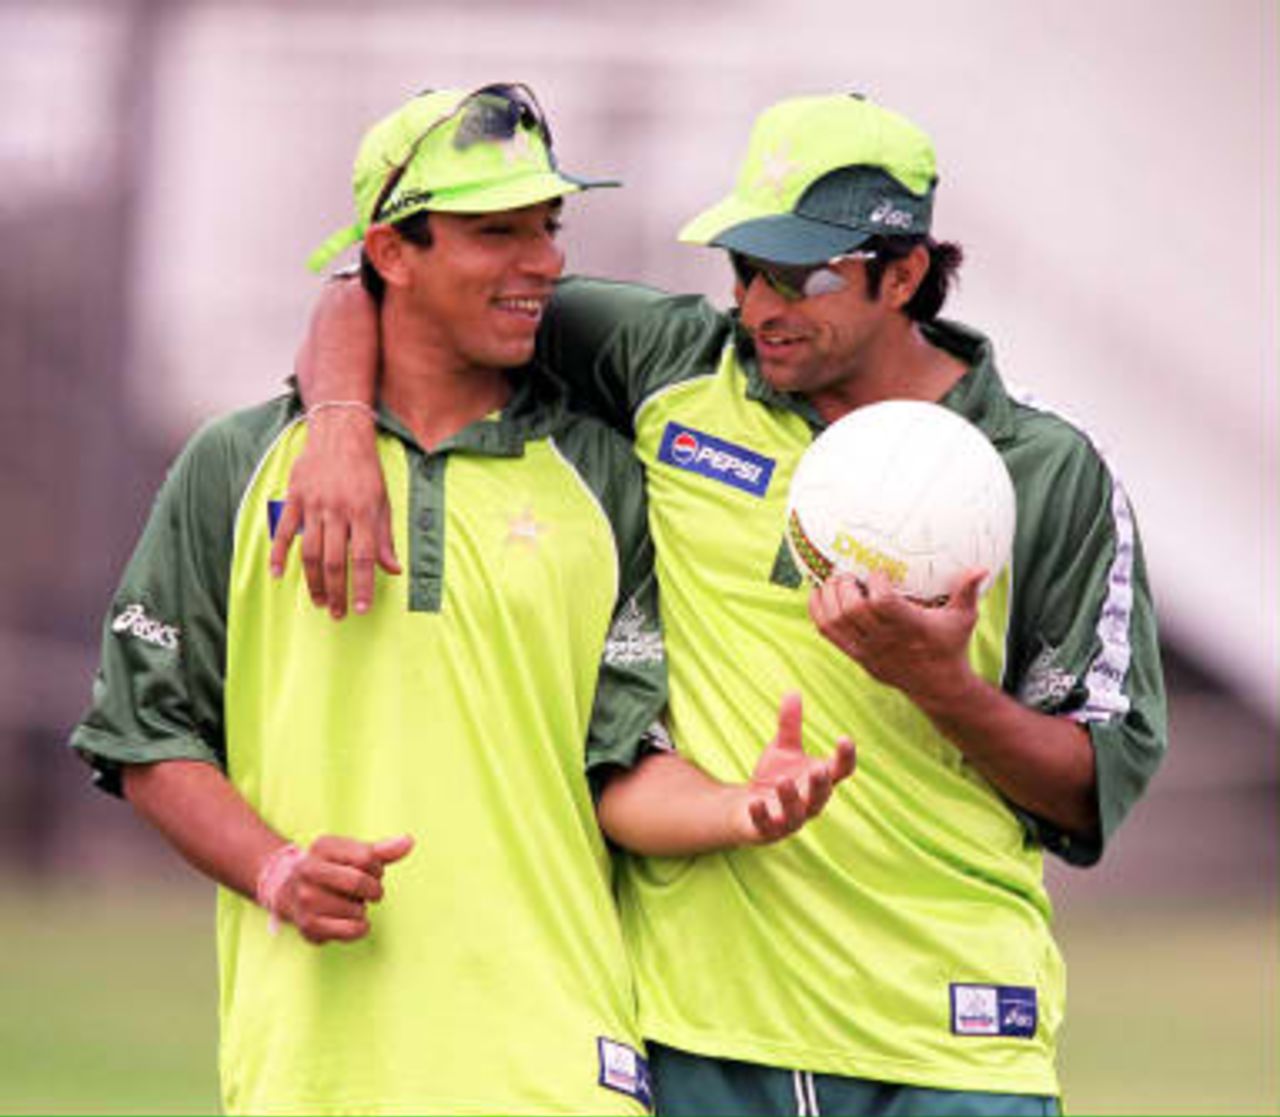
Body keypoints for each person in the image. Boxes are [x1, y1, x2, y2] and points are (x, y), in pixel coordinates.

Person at [281, 92, 1168, 1116]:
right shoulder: (671, 364)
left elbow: (1090, 788)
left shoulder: (1046, 471)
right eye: (745, 267)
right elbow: (386, 286)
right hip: (699, 1032)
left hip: (949, 1036)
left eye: (803, 274)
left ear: (906, 273)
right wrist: (339, 427)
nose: (758, 305)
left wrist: (935, 682)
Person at [68, 84, 855, 1116]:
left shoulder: (605, 477)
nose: (543, 261)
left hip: (561, 1061)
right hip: (311, 1070)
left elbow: (618, 758)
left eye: (547, 226)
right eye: (496, 233)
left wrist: (735, 808)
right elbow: (145, 732)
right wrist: (275, 869)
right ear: (392, 254)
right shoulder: (236, 467)